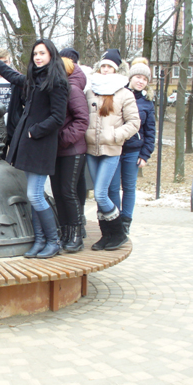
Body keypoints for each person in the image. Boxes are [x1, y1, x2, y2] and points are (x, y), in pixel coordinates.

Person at [0, 39, 69, 259]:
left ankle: (53, 241)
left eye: (42, 53)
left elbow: (58, 117)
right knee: (34, 195)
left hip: (41, 145)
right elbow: (16, 78)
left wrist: (35, 131)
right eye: (35, 54)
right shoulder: (35, 78)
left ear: (51, 55)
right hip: (30, 144)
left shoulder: (57, 81)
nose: (38, 57)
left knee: (34, 194)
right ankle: (40, 240)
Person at [85, 49, 140, 251]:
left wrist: (116, 135)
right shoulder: (90, 90)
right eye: (103, 66)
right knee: (99, 194)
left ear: (116, 69)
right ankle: (106, 235)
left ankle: (118, 234)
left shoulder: (124, 93)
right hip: (91, 150)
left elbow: (134, 122)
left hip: (111, 150)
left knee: (101, 194)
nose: (106, 69)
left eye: (110, 66)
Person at [107, 57, 156, 235]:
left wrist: (145, 154)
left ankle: (126, 222)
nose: (141, 81)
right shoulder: (119, 94)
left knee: (128, 188)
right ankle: (115, 220)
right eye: (138, 77)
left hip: (133, 151)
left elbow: (150, 131)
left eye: (144, 79)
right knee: (112, 188)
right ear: (130, 77)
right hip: (114, 149)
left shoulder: (147, 103)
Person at [50, 53, 89, 253]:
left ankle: (76, 234)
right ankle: (65, 231)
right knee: (57, 192)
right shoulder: (55, 89)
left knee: (68, 191)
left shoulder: (73, 90)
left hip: (72, 149)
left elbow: (82, 120)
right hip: (54, 150)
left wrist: (63, 139)